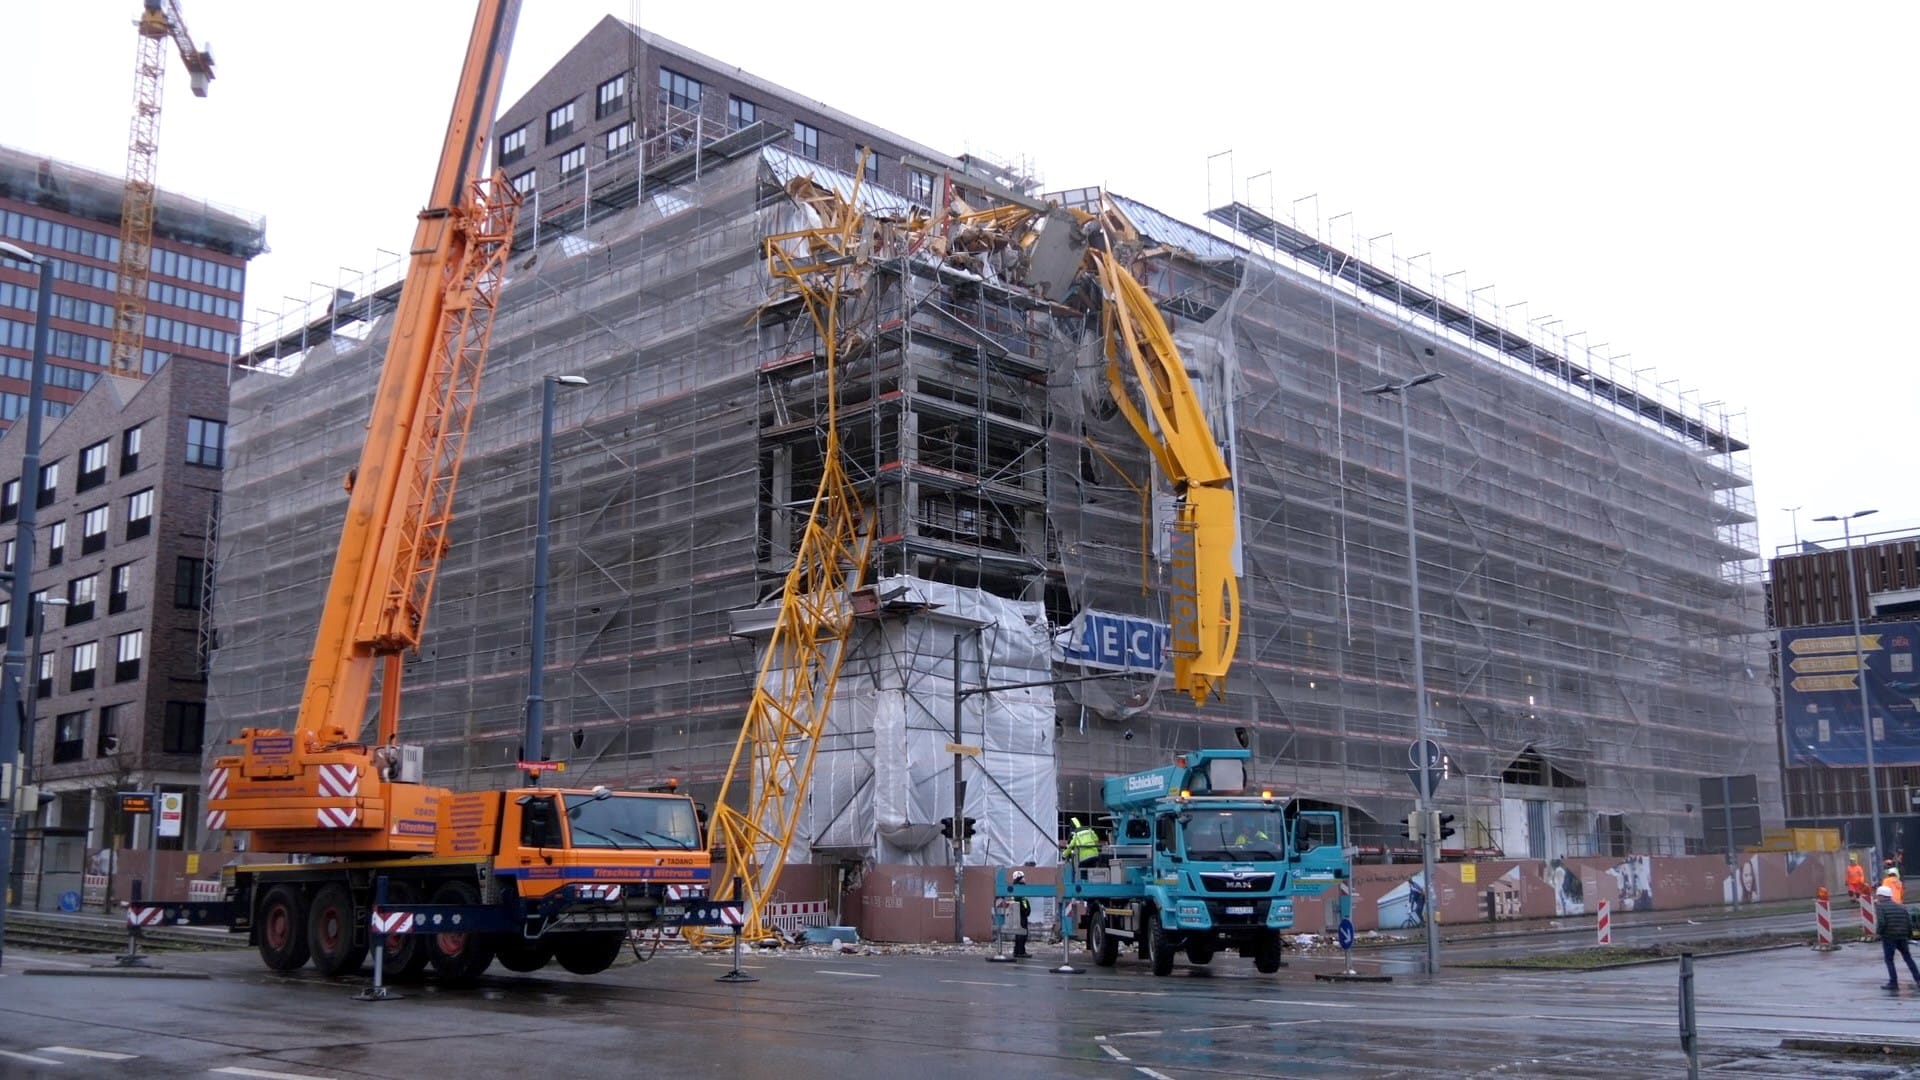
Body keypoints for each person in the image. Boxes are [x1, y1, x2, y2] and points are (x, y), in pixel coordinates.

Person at [1876, 885, 1920, 990]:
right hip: (1902, 937)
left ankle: (1893, 982)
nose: (1877, 898)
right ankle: (1918, 980)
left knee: (1889, 960)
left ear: (1882, 896)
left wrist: (1878, 933)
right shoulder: (1901, 907)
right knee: (1908, 958)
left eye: (1878, 896)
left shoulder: (1880, 907)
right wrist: (1909, 935)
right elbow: (1909, 922)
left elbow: (1881, 922)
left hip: (1889, 937)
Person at [1009, 870, 1032, 958]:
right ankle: (1020, 952)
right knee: (1022, 933)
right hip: (1020, 914)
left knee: (1020, 933)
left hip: (1020, 914)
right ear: (1019, 878)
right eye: (1023, 877)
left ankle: (1018, 951)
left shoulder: (1019, 888)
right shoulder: (1019, 888)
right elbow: (1021, 901)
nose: (1025, 879)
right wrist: (1025, 910)